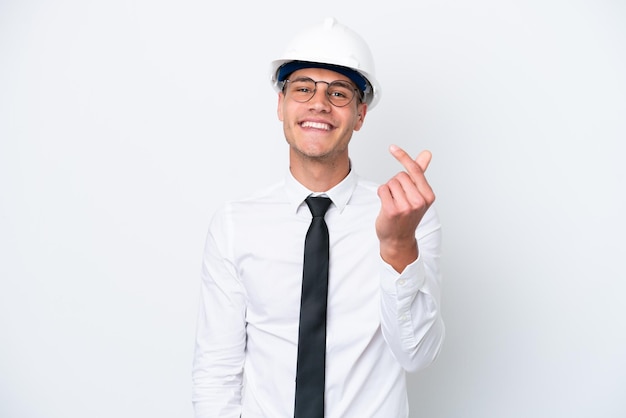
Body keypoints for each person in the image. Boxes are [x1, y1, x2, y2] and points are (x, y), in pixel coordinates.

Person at [192, 17, 445, 418]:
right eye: (303, 88)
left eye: (339, 92)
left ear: (361, 115)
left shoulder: (407, 217)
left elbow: (417, 355)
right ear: (281, 105)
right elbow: (216, 373)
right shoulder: (234, 224)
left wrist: (398, 247)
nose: (319, 103)